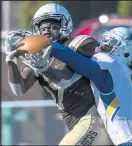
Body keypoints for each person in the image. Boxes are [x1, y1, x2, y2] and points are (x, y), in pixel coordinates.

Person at [5, 3, 113, 145]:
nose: (47, 32)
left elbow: (68, 80)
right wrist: (10, 61)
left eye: (53, 27)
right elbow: (18, 90)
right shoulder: (36, 56)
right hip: (78, 124)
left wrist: (45, 69)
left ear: (65, 26)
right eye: (43, 28)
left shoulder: (80, 43)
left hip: (96, 118)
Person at [28, 26, 132, 145]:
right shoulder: (128, 75)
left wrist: (46, 43)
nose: (101, 47)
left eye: (110, 45)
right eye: (103, 43)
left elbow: (78, 62)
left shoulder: (112, 67)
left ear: (128, 53)